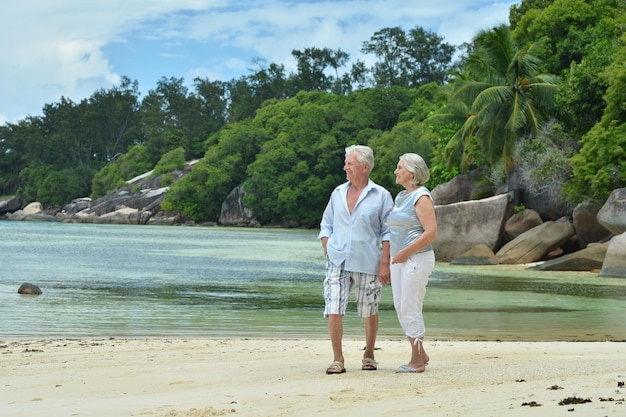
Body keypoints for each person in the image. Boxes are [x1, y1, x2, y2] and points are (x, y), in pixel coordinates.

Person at [318, 145, 393, 375]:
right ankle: (337, 359)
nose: (345, 167)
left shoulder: (381, 195)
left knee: (369, 309)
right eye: (346, 163)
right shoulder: (337, 192)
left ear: (364, 167)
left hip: (368, 260)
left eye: (349, 163)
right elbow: (326, 224)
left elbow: (389, 231)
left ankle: (369, 354)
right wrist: (327, 246)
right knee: (333, 307)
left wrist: (385, 263)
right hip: (337, 259)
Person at [388, 153, 438, 373]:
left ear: (411, 172)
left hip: (417, 258)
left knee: (411, 305)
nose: (396, 171)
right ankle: (421, 353)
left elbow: (431, 233)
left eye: (400, 167)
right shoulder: (400, 197)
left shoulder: (422, 197)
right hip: (400, 260)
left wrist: (404, 253)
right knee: (401, 306)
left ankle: (417, 361)